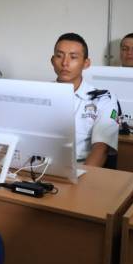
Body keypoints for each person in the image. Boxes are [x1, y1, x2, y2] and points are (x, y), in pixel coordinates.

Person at [51, 33, 119, 167]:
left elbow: (101, 148)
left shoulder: (102, 99)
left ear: (86, 63)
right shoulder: (39, 93)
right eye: (59, 56)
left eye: (73, 57)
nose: (65, 63)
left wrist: (80, 180)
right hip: (38, 168)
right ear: (52, 61)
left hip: (79, 169)